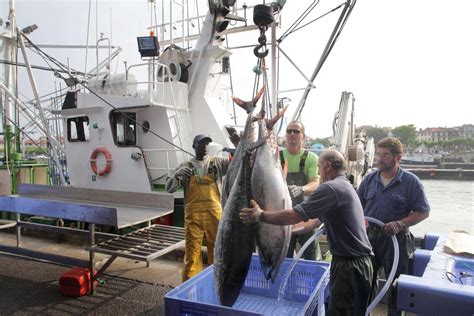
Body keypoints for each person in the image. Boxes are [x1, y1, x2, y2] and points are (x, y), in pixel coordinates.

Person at [240, 149, 374, 316]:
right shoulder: (343, 185)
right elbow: (313, 222)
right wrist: (288, 232)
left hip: (350, 267)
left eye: (319, 167)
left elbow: (294, 215)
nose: (318, 172)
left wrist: (260, 216)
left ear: (327, 166)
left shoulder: (331, 188)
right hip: (354, 264)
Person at [357, 137, 430, 316]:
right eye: (378, 155)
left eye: (385, 155)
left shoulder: (411, 182)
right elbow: (357, 206)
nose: (380, 159)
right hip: (370, 240)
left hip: (396, 241)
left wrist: (400, 223)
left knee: (396, 287)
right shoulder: (369, 179)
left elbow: (423, 211)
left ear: (398, 158)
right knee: (363, 283)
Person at [166, 134, 230, 281]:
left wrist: (239, 144)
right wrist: (177, 175)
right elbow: (168, 188)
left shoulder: (218, 163)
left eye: (207, 144)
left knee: (218, 253)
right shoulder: (185, 167)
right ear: (194, 146)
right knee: (192, 256)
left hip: (215, 216)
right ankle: (189, 289)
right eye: (201, 144)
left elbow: (237, 164)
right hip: (193, 218)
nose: (205, 146)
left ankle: (218, 284)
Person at [281, 121, 320, 260]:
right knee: (283, 258)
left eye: (296, 131)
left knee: (311, 257)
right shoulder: (277, 157)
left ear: (303, 136)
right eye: (289, 131)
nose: (292, 134)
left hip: (306, 216)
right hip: (283, 217)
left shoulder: (311, 158)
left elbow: (315, 183)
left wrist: (301, 189)